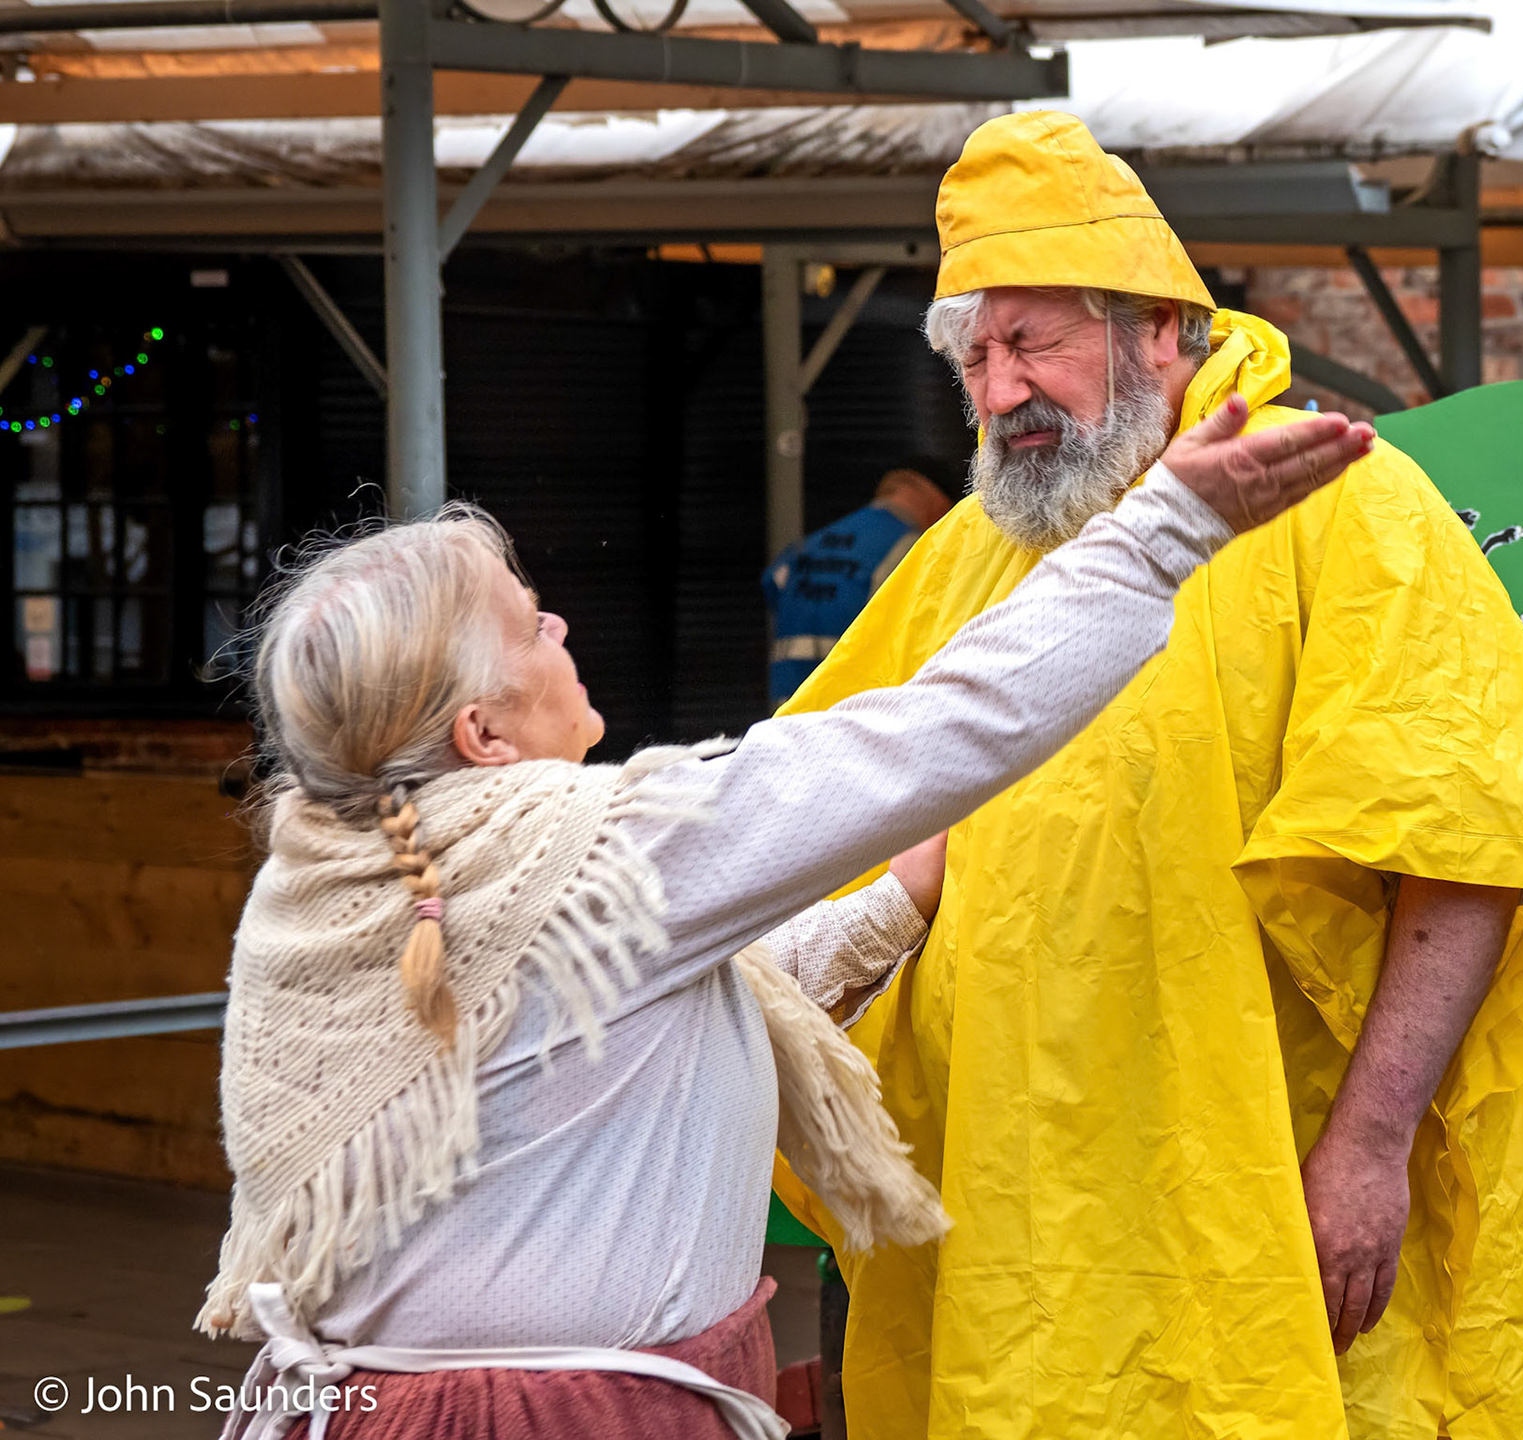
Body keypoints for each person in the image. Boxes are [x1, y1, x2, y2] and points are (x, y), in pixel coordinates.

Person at [194, 386, 1371, 1440]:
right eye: (531, 622)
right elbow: (941, 727)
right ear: (483, 738)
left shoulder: (329, 878)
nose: (562, 629)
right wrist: (1167, 529)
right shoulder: (598, 856)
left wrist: (902, 894)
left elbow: (623, 1038)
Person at [771, 111, 1523, 1440]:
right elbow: (805, 818)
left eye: (1034, 341)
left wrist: (1369, 1151)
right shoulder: (963, 556)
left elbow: (1468, 847)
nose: (1003, 389)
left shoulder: (1343, 508)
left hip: (1277, 1192)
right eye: (977, 357)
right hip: (1030, 1230)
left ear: (1157, 331)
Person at [762, 462, 958, 707]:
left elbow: (771, 584)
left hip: (788, 702)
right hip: (853, 708)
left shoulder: (810, 544)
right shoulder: (915, 549)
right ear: (938, 503)